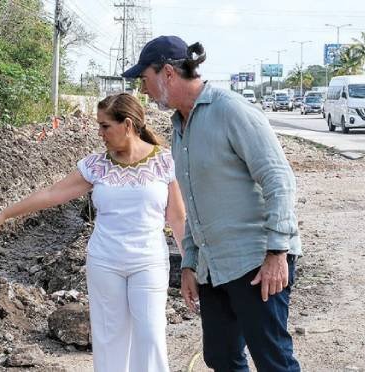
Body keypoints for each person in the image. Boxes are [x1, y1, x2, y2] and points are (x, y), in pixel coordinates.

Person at [123, 35, 302, 371]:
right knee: (220, 357)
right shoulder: (179, 127)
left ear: (168, 73)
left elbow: (279, 179)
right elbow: (194, 201)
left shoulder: (230, 110)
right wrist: (190, 262)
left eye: (145, 79)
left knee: (273, 359)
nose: (144, 90)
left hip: (256, 261)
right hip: (214, 265)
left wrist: (278, 252)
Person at [0, 93, 186, 372]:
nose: (100, 133)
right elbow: (52, 193)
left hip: (149, 263)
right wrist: (5, 214)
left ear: (128, 125)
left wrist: (192, 265)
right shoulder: (96, 165)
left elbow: (177, 218)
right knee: (110, 339)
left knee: (151, 336)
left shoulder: (165, 161)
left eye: (105, 126)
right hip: (105, 263)